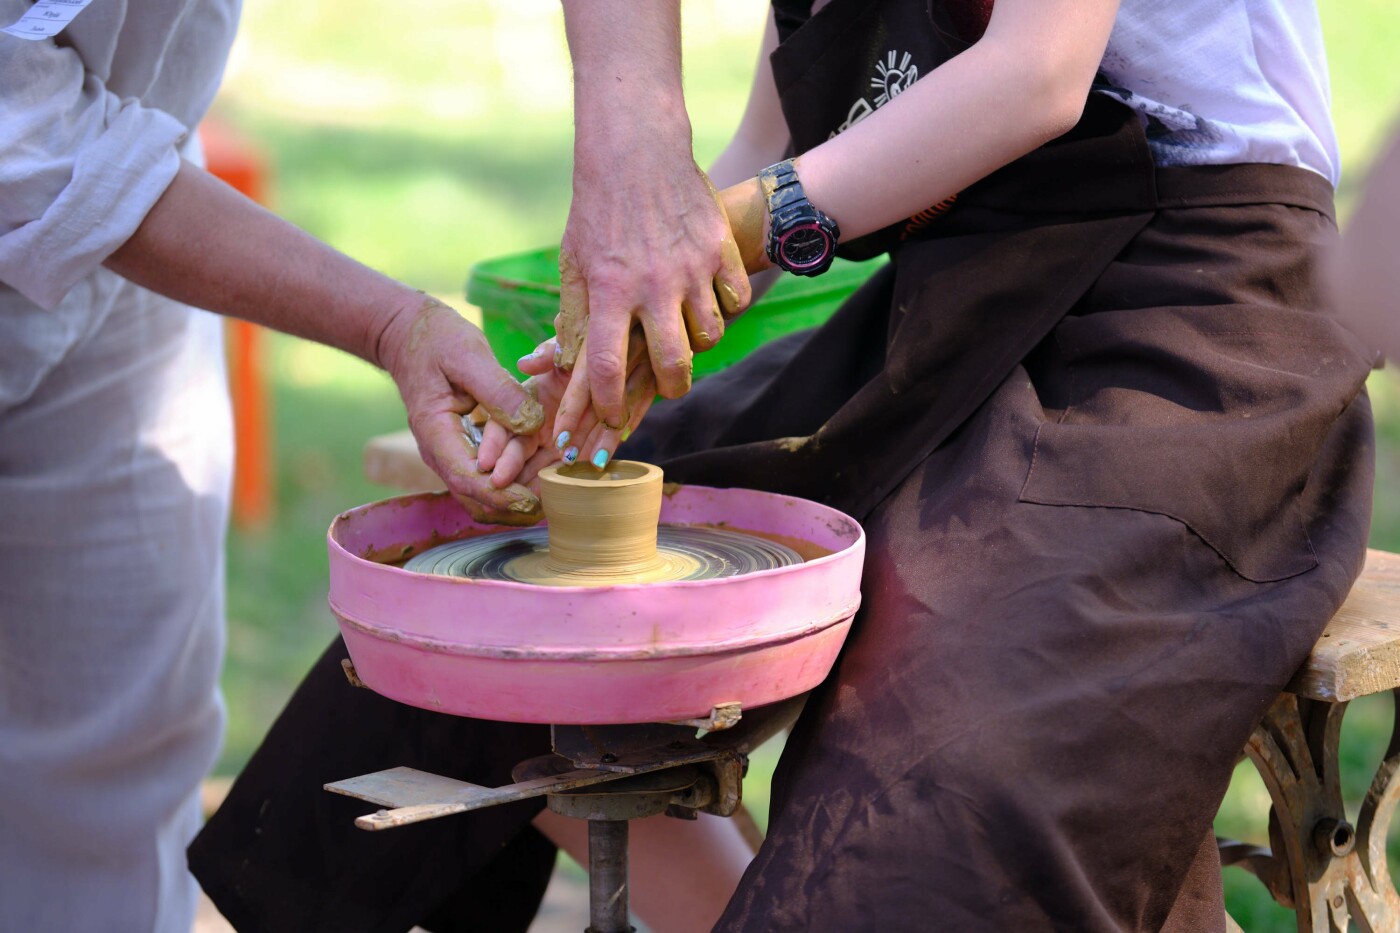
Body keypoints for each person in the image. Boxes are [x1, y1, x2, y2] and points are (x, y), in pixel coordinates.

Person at [192, 1, 1376, 931]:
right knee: (481, 649)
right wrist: (623, 341)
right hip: (950, 309)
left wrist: (710, 236)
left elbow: (1034, 72)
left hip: (1191, 322)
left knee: (948, 761)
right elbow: (773, 150)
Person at [0, 3, 568, 931]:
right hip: (85, 173)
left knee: (118, 747)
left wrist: (641, 146)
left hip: (132, 220)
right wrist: (389, 324)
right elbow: (21, 133)